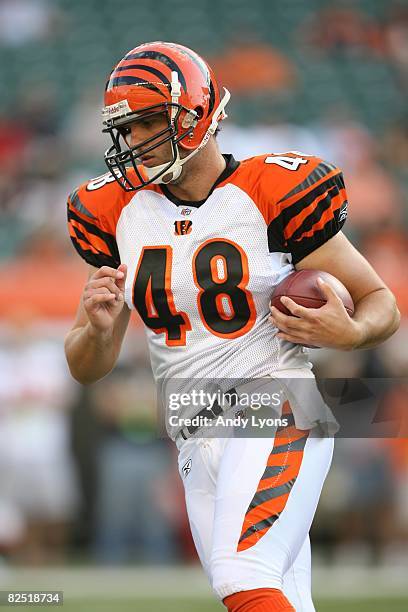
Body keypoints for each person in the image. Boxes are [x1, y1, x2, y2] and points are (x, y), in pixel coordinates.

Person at [64, 42, 400, 611]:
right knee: (273, 593)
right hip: (191, 427)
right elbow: (85, 367)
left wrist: (350, 333)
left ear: (197, 115)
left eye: (151, 120)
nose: (137, 140)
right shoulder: (111, 211)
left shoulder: (270, 190)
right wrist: (97, 331)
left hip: (276, 403)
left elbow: (380, 301)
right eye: (129, 126)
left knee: (242, 576)